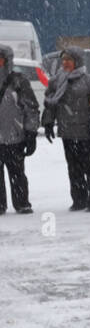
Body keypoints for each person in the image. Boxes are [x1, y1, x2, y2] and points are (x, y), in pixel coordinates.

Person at [42, 47, 90, 211]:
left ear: (77, 62)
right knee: (73, 167)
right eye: (63, 60)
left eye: (68, 60)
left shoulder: (89, 81)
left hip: (85, 132)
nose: (65, 63)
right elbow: (50, 102)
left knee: (89, 166)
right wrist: (48, 122)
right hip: (67, 131)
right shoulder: (58, 80)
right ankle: (79, 199)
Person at [0, 45, 40, 215]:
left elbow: (31, 108)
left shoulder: (19, 81)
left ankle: (22, 202)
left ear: (7, 60)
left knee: (17, 172)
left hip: (14, 136)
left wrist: (31, 133)